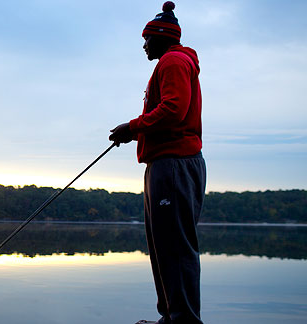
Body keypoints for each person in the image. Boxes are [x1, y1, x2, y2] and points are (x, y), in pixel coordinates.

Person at [108, 2, 206, 324]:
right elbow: (169, 117)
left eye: (147, 39)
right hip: (165, 164)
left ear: (161, 38)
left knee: (175, 247)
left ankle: (183, 321)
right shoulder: (171, 63)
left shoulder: (174, 61)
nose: (144, 45)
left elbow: (174, 109)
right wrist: (135, 134)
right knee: (164, 247)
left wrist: (132, 127)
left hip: (175, 165)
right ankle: (171, 318)